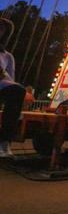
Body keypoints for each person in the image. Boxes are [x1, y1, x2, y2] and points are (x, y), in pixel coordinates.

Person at [0, 18, 26, 158]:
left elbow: (9, 77)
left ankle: (5, 142)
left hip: (2, 86)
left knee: (17, 92)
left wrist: (18, 87)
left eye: (2, 29)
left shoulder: (7, 56)